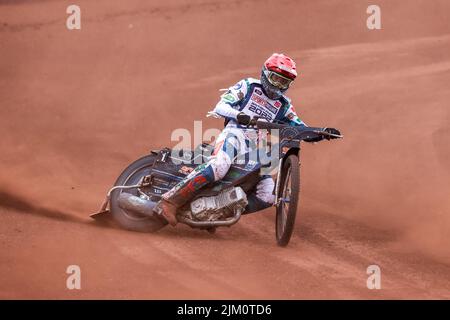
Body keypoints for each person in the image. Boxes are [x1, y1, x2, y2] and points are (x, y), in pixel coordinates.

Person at [155, 53, 340, 225]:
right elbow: (220, 106)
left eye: (284, 82)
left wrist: (321, 133)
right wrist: (239, 114)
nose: (278, 85)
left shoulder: (283, 105)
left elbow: (299, 126)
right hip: (234, 135)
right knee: (219, 166)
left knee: (269, 195)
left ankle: (217, 212)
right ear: (265, 74)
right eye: (275, 79)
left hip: (256, 150)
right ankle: (170, 201)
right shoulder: (249, 86)